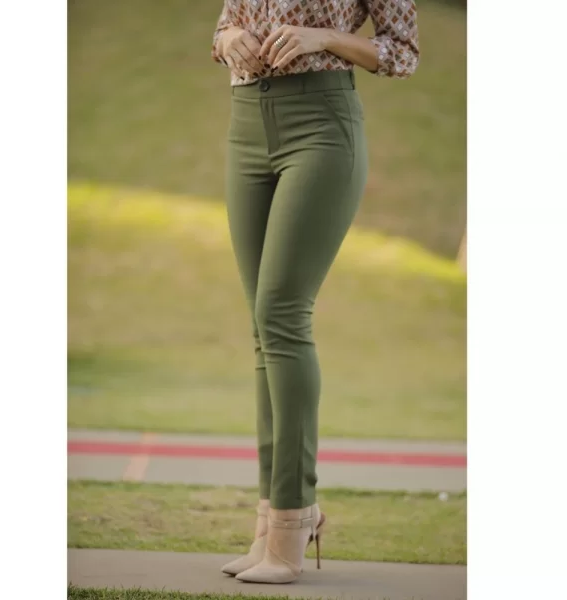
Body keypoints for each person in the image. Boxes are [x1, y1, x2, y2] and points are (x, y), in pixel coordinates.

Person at [211, 0, 419, 585]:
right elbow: (224, 24)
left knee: (281, 315)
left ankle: (293, 520)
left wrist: (321, 37)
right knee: (263, 328)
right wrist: (228, 40)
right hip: (246, 122)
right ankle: (269, 524)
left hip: (321, 126)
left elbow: (402, 53)